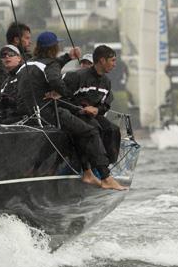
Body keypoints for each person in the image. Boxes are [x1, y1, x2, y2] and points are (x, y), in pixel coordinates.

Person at [16, 31, 126, 190]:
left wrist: (68, 56)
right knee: (90, 131)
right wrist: (62, 93)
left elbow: (50, 66)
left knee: (97, 128)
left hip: (28, 112)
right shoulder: (51, 65)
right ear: (53, 48)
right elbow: (54, 77)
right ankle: (105, 176)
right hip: (47, 112)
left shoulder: (29, 64)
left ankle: (89, 172)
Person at [63, 45, 121, 163]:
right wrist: (80, 109)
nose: (115, 64)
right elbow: (62, 99)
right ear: (102, 60)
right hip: (74, 114)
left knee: (113, 129)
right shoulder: (78, 76)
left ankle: (109, 165)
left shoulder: (106, 82)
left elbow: (105, 105)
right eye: (113, 60)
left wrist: (97, 110)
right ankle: (94, 165)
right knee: (94, 128)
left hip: (92, 115)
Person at [0, 44, 25, 123]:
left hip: (25, 120)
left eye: (11, 54)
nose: (7, 57)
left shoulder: (25, 75)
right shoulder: (4, 84)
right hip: (8, 123)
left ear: (19, 58)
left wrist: (12, 101)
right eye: (3, 55)